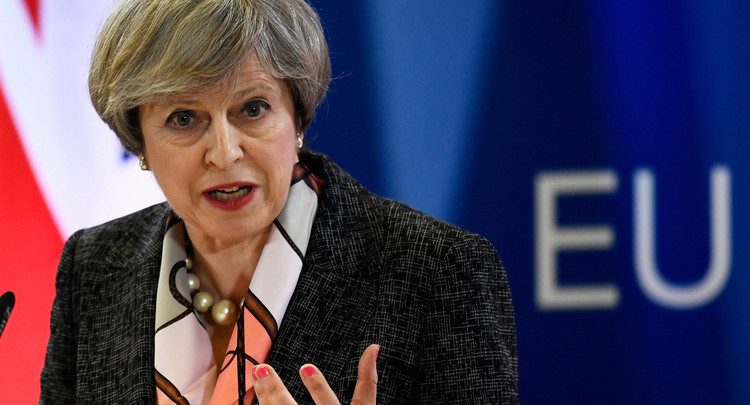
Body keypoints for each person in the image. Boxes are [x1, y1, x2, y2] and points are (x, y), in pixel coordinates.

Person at [40, 0, 519, 403]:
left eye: (253, 109)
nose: (224, 153)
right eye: (184, 118)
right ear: (139, 141)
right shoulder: (94, 266)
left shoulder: (436, 269)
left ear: (298, 117)